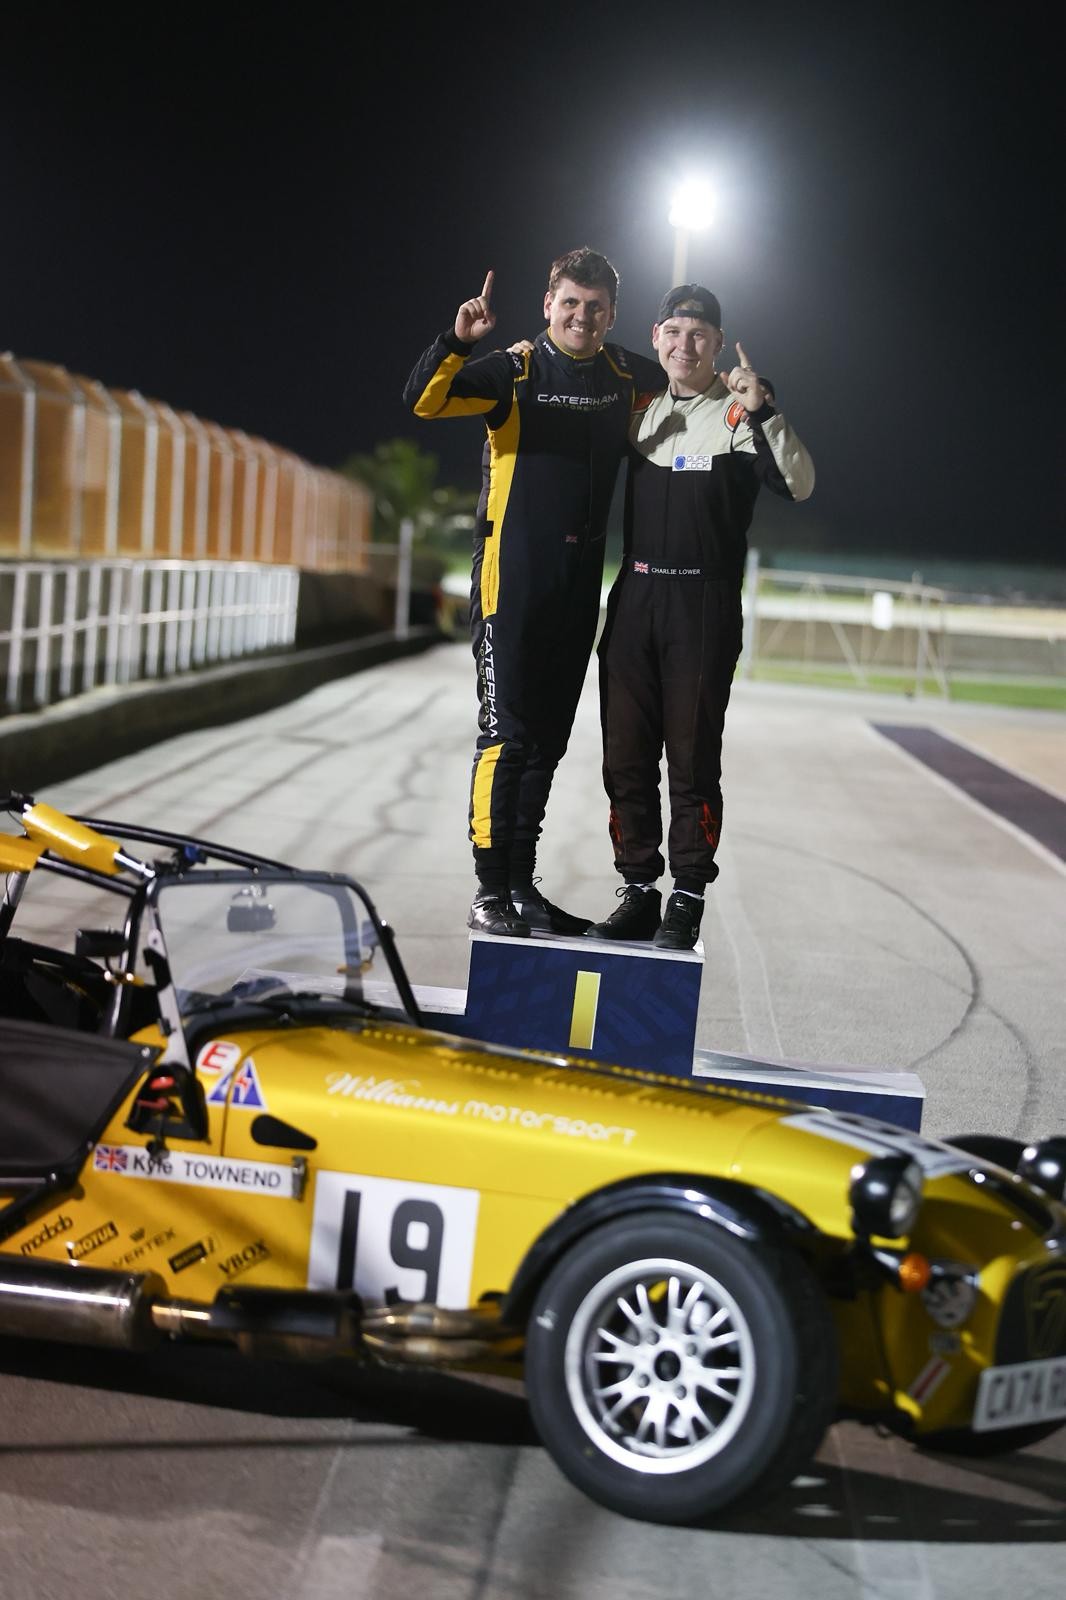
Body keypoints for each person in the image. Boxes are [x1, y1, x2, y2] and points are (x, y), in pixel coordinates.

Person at [404, 249, 663, 938]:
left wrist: (749, 394)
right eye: (570, 302)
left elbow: (688, 386)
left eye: (595, 306)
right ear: (548, 305)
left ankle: (522, 888)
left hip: (577, 588)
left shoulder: (624, 375)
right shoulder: (514, 372)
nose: (582, 316)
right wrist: (458, 341)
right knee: (507, 738)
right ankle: (489, 891)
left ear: (612, 314)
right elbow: (424, 399)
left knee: (547, 743)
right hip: (510, 581)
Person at [587, 285, 815, 951]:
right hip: (634, 597)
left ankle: (686, 897)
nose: (684, 345)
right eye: (673, 333)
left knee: (690, 761)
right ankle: (638, 891)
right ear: (656, 338)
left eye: (698, 335)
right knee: (625, 758)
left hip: (703, 604)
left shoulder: (740, 414)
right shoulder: (638, 409)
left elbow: (799, 484)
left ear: (717, 343)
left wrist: (765, 410)